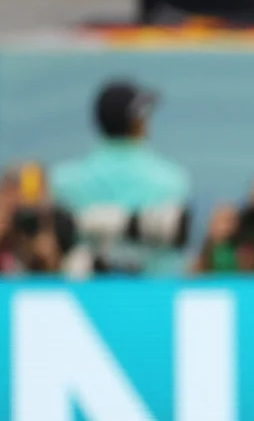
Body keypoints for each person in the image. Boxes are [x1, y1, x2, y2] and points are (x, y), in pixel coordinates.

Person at [50, 80, 191, 275]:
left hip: (85, 289)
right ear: (138, 121)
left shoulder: (63, 181)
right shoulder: (171, 180)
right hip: (155, 290)